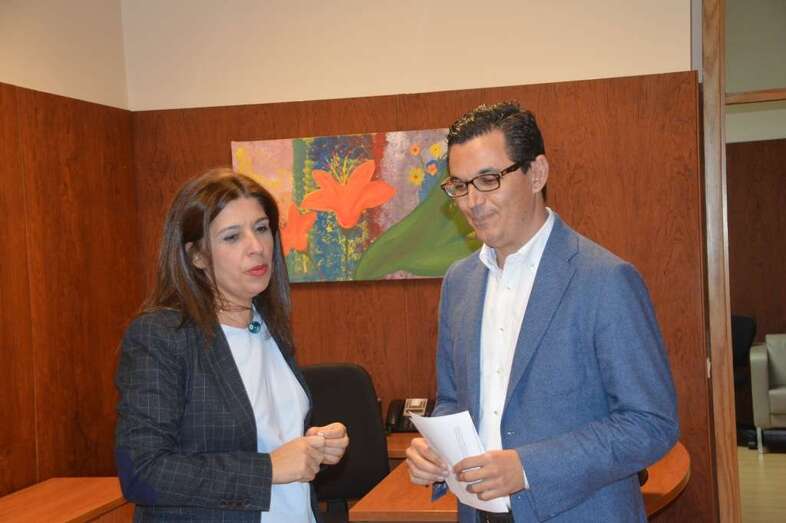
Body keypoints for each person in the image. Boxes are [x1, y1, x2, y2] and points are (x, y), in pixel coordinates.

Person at [405, 102, 678, 522]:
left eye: (489, 180)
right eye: (459, 185)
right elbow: (453, 401)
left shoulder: (605, 279)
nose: (472, 201)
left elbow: (651, 423)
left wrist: (528, 468)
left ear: (537, 173)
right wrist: (436, 450)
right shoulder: (459, 282)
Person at [115, 169, 348, 522]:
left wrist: (315, 445)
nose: (257, 247)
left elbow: (262, 436)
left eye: (261, 228)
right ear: (196, 256)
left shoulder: (268, 325)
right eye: (232, 237)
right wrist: (268, 468)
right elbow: (143, 472)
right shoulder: (161, 335)